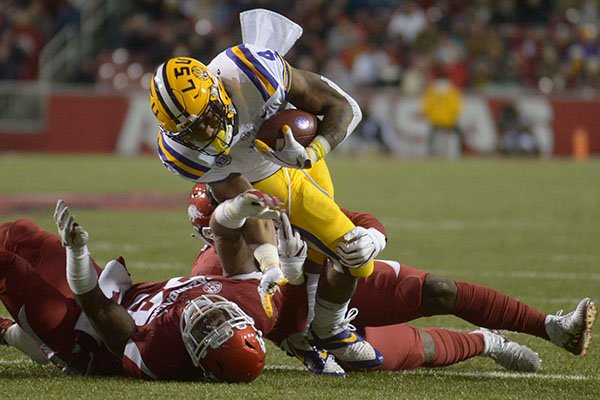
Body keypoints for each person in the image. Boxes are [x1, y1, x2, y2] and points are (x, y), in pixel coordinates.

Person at [149, 10, 384, 368]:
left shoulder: (250, 74)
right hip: (263, 178)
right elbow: (250, 203)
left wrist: (311, 152)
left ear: (217, 88)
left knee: (334, 254)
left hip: (296, 153)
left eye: (208, 119)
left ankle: (326, 329)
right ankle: (316, 334)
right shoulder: (182, 154)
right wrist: (272, 259)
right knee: (353, 253)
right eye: (193, 132)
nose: (207, 136)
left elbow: (343, 107)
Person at [187, 183, 597, 375]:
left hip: (344, 285)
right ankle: (487, 341)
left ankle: (552, 328)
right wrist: (292, 277)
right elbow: (284, 329)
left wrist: (372, 237)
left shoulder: (279, 205)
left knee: (438, 290)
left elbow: (350, 220)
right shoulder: (212, 274)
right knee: (397, 355)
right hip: (309, 328)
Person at [0, 190, 289, 382]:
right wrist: (236, 209)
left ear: (198, 358)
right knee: (18, 233)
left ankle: (15, 335)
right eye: (222, 317)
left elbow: (98, 309)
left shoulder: (159, 354)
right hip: (114, 292)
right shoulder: (254, 304)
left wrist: (77, 254)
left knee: (7, 266)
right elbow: (226, 234)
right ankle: (20, 336)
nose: (208, 311)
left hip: (82, 331)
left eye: (207, 327)